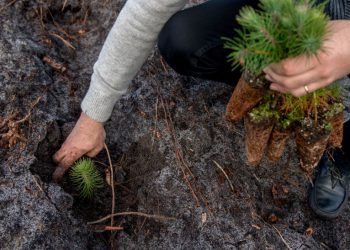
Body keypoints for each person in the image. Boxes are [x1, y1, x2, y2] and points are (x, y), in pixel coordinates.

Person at [53, 0, 350, 219]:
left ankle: (342, 151)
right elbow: (146, 10)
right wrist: (93, 116)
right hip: (284, 12)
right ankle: (273, 83)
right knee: (182, 38)